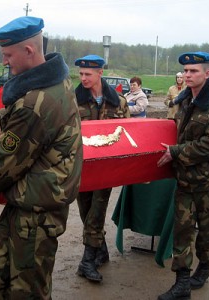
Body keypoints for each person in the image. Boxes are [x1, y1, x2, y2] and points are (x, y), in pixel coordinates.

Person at [0, 16, 83, 299]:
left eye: (8, 54)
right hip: (28, 203)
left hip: (36, 212)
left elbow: (5, 163)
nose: (4, 61)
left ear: (28, 51)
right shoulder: (57, 82)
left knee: (27, 291)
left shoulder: (34, 104)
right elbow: (21, 110)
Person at [157, 51, 209, 300]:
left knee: (206, 228)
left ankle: (204, 267)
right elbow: (178, 132)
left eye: (194, 71)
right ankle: (182, 281)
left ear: (207, 73)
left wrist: (175, 152)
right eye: (185, 71)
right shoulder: (184, 100)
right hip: (187, 176)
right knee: (182, 228)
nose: (188, 75)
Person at [74, 54, 130, 282]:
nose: (83, 78)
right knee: (85, 212)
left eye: (88, 74)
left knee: (96, 212)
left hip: (106, 169)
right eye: (80, 74)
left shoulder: (119, 102)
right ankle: (101, 250)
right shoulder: (72, 100)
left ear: (100, 73)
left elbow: (127, 134)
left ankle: (86, 262)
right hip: (81, 167)